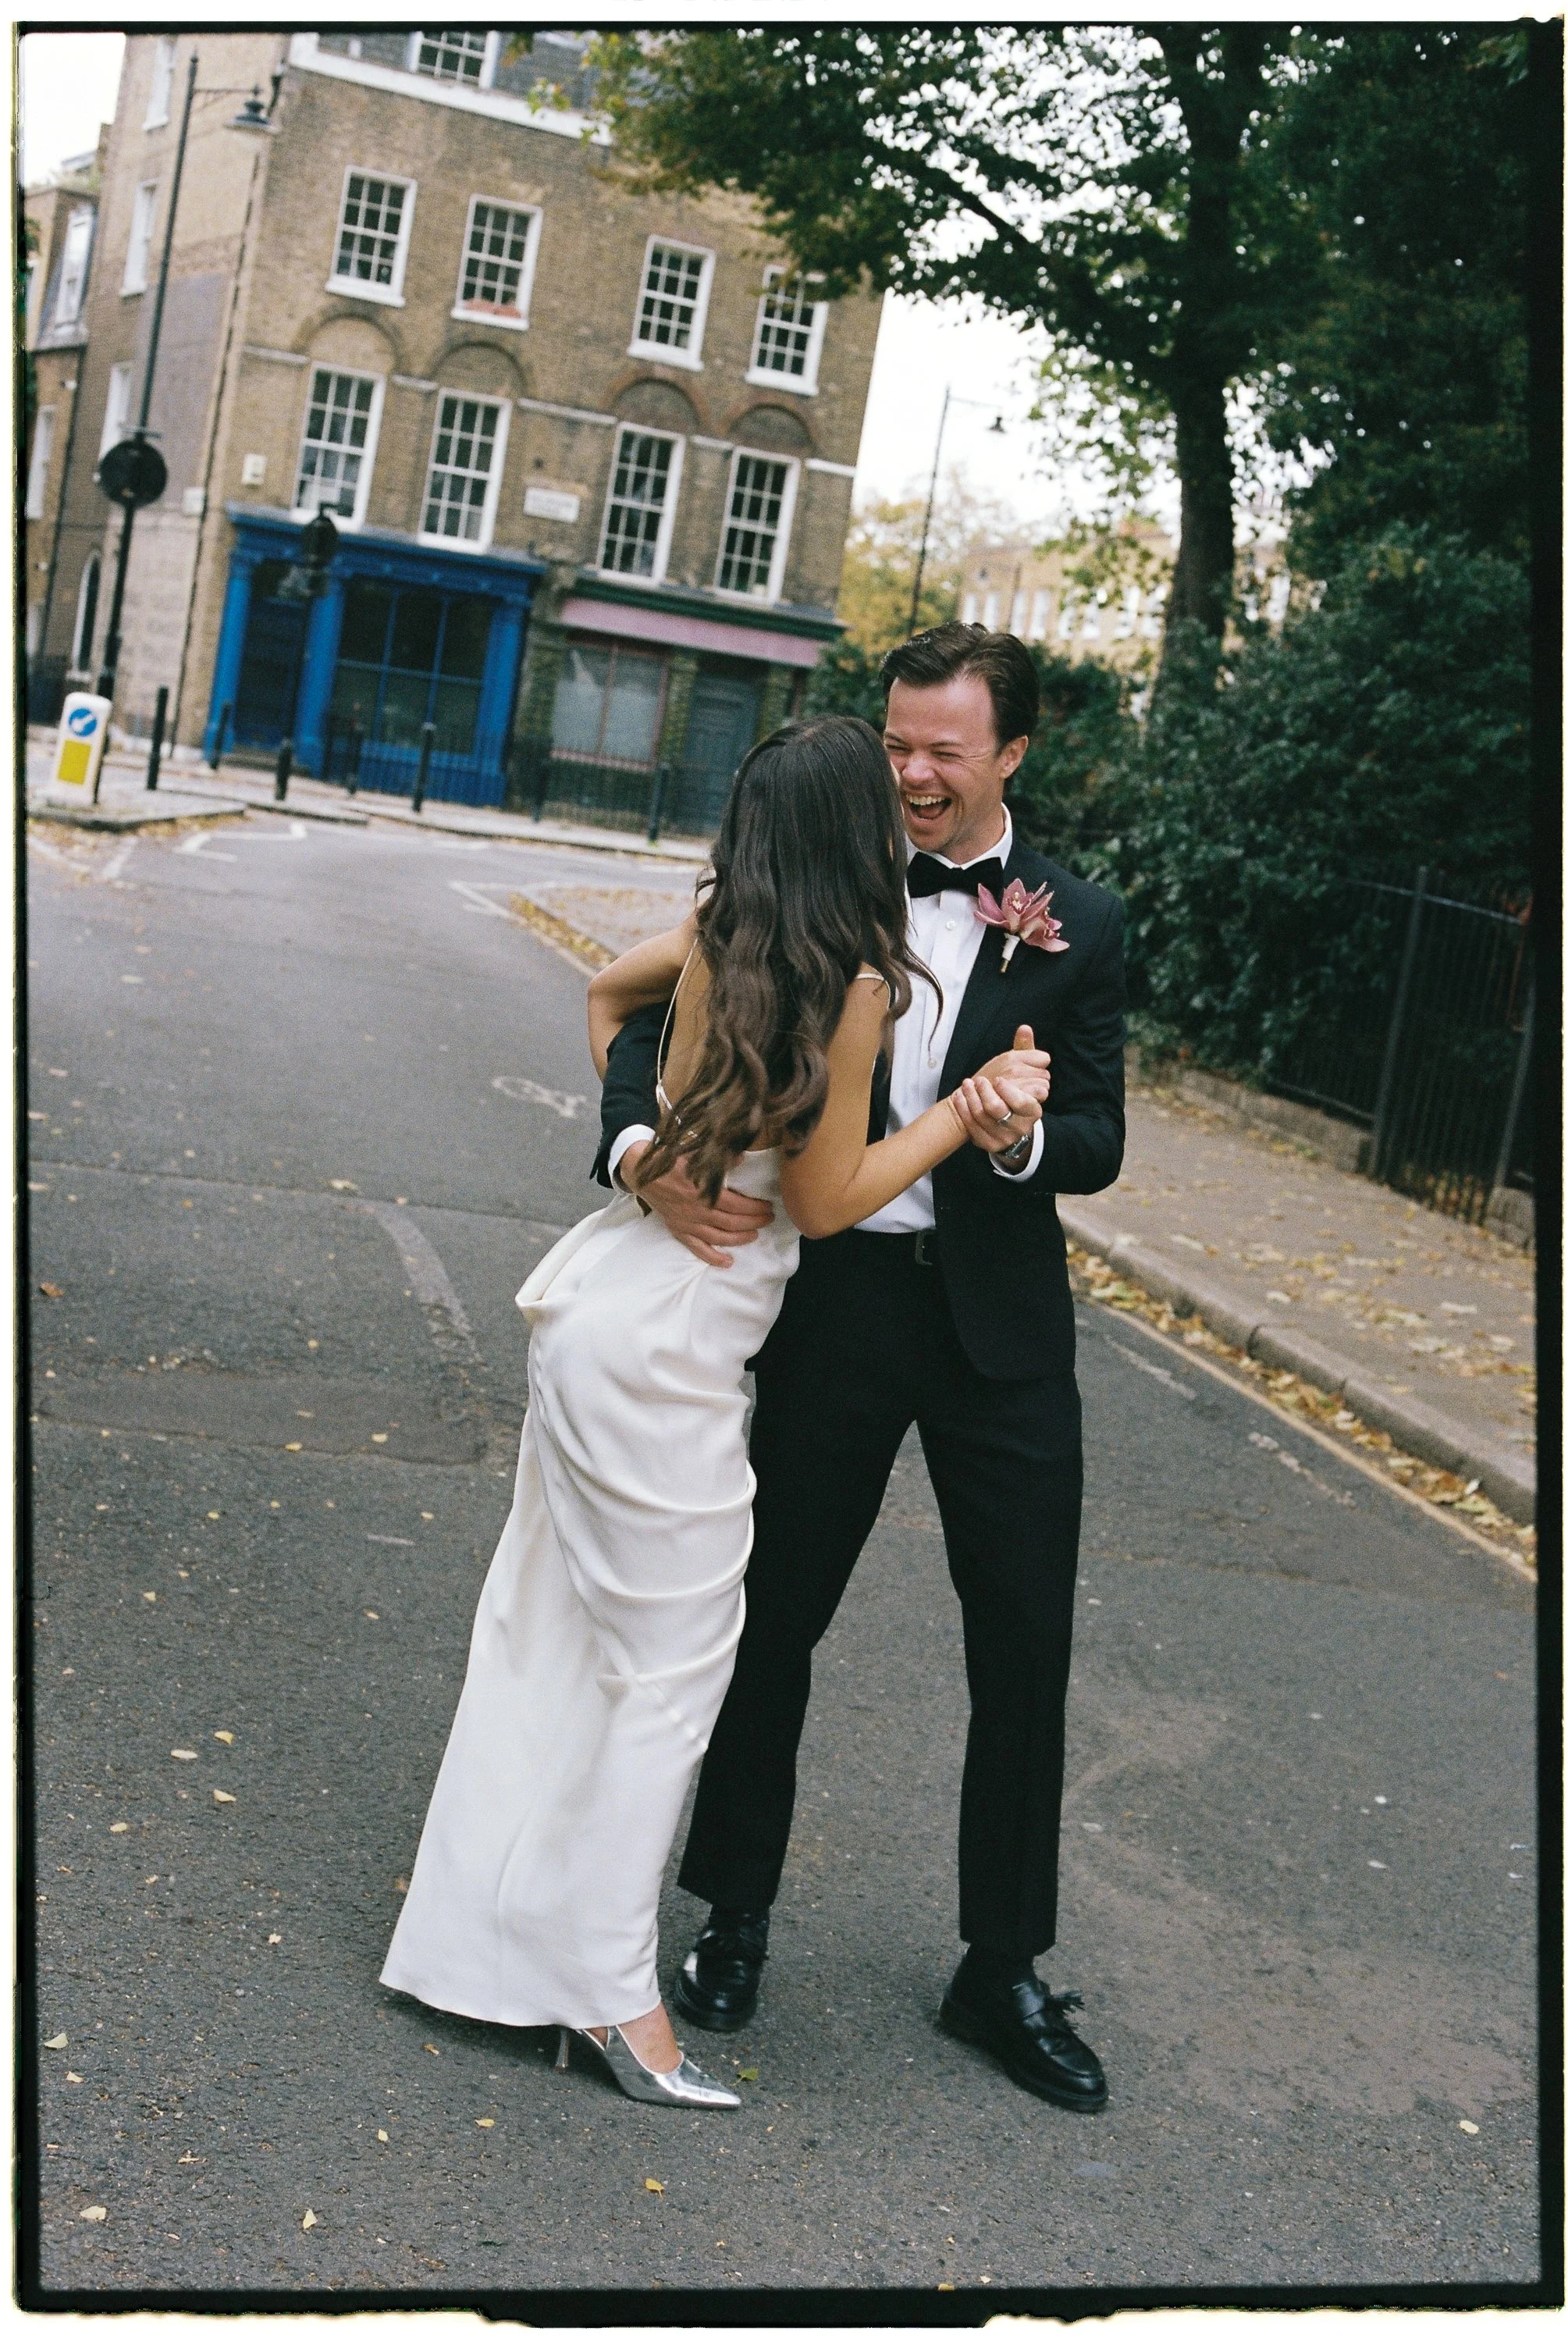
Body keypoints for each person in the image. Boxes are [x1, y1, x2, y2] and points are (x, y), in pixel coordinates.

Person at [381, 712, 1054, 2109]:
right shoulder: (858, 979)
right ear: (848, 831)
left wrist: (644, 1148)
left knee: (556, 1634)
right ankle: (618, 2002)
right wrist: (965, 1108)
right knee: (677, 1668)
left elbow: (600, 1004)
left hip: (608, 1311)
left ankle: (490, 1948)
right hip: (671, 1344)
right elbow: (824, 1199)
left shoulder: (722, 926)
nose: (904, 803)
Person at [596, 622, 1126, 2112]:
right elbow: (645, 1013)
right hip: (831, 1302)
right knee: (772, 1617)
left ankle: (1001, 1967)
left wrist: (1022, 1139)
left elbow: (1101, 1134)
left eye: (945, 753)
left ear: (1011, 752)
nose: (913, 776)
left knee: (1024, 1644)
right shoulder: (819, 873)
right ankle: (734, 1916)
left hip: (1002, 1331)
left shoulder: (1082, 918)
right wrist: (636, 1150)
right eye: (898, 745)